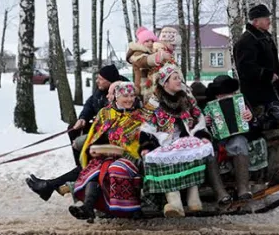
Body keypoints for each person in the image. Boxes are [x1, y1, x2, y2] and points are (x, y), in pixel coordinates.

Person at [26, 64, 130, 201]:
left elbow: (114, 127)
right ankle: (73, 171)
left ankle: (52, 184)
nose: (97, 81)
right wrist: (82, 119)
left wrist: (86, 139)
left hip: (114, 142)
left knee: (84, 148)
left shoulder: (122, 98)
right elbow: (90, 104)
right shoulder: (101, 93)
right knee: (73, 129)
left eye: (100, 78)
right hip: (104, 135)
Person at [140, 64, 228, 217]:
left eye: (179, 78)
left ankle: (193, 198)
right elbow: (146, 128)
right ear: (165, 83)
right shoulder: (154, 104)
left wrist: (202, 136)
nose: (179, 81)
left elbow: (198, 119)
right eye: (175, 78)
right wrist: (146, 145)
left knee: (196, 152)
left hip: (187, 139)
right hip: (164, 142)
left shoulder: (187, 99)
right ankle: (174, 202)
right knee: (163, 159)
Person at [68, 81, 152, 222]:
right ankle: (88, 207)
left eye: (132, 95)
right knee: (94, 170)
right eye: (125, 95)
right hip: (106, 155)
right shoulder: (105, 113)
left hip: (131, 157)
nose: (130, 99)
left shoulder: (140, 116)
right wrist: (94, 149)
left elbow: (146, 138)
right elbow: (95, 136)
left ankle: (127, 208)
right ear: (116, 97)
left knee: (111, 168)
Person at [233, 4, 279, 131]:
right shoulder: (246, 41)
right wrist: (268, 75)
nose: (269, 20)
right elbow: (245, 68)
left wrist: (277, 79)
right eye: (265, 18)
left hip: (270, 92)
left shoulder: (265, 37)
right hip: (257, 97)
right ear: (256, 22)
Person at [204, 75, 256, 202]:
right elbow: (197, 129)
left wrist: (251, 117)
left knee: (240, 142)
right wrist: (204, 122)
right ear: (216, 95)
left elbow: (256, 126)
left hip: (236, 138)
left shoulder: (242, 102)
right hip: (216, 141)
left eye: (229, 94)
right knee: (209, 151)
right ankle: (220, 192)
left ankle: (243, 188)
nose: (226, 97)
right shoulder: (207, 107)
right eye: (221, 95)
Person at [126, 26, 171, 104]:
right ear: (141, 43)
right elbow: (143, 61)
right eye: (147, 41)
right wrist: (159, 57)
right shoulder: (137, 53)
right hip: (142, 88)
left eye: (152, 41)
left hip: (152, 86)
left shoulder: (152, 52)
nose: (150, 43)